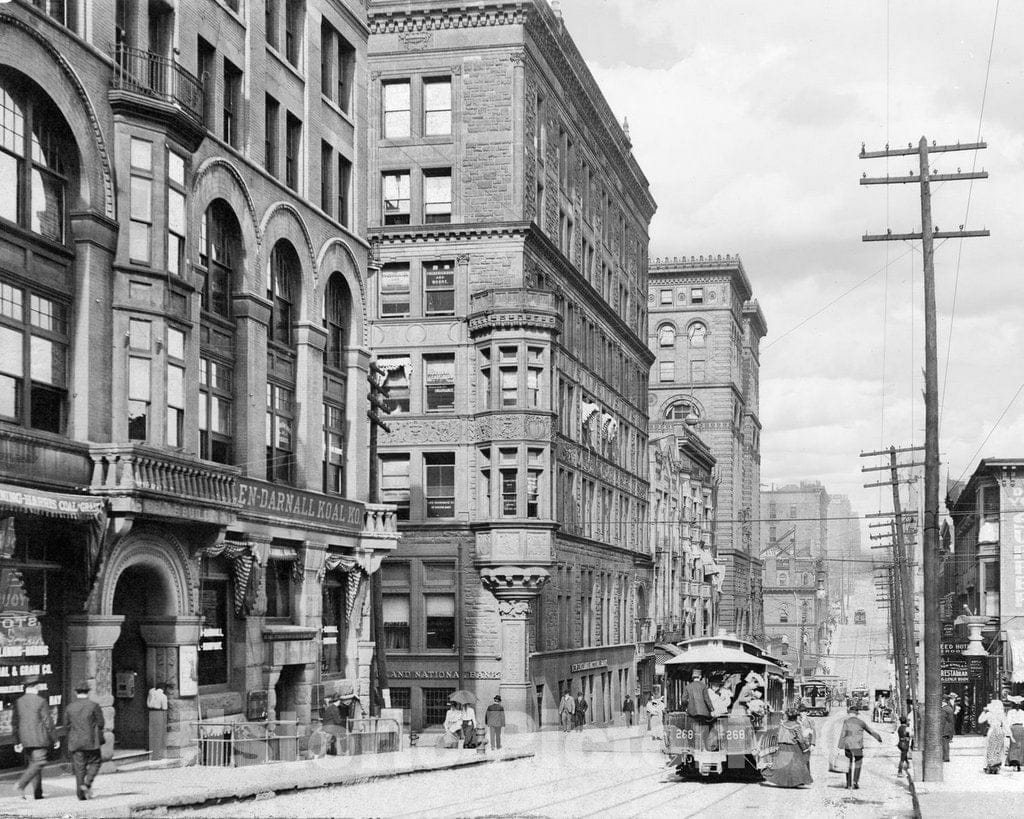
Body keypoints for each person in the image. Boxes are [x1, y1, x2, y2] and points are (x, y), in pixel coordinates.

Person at [11, 676, 59, 800]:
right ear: (36, 687)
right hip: (39, 738)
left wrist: (17, 741)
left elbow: (14, 723)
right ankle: (21, 784)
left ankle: (38, 794)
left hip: (25, 739)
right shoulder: (41, 701)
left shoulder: (18, 701)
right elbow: (48, 721)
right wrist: (55, 738)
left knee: (34, 765)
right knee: (39, 762)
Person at [64, 680, 105, 800]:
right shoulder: (94, 706)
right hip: (91, 741)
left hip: (76, 742)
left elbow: (66, 725)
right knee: (96, 762)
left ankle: (81, 796)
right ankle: (87, 783)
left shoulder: (70, 707)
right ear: (88, 692)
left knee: (79, 768)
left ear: (76, 692)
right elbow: (101, 723)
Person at [762, 708, 812, 788]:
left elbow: (779, 735)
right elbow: (800, 739)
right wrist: (805, 748)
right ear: (796, 716)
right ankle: (796, 781)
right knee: (796, 765)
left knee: (783, 765)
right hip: (793, 746)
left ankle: (783, 781)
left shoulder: (782, 724)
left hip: (782, 746)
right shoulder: (796, 726)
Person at [836, 704, 881, 790]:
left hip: (848, 746)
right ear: (856, 714)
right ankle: (855, 782)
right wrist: (878, 738)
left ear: (851, 714)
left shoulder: (846, 722)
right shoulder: (861, 722)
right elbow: (870, 731)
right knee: (858, 763)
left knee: (848, 764)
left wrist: (840, 746)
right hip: (858, 746)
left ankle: (848, 784)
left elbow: (844, 734)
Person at [978, 697, 1006, 774]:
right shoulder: (1002, 714)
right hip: (1000, 732)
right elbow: (1006, 725)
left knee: (990, 749)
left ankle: (989, 765)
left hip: (992, 731)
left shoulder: (989, 714)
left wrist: (983, 712)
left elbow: (980, 720)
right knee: (998, 749)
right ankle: (996, 765)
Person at [1005, 701, 1024, 772]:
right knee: (1020, 746)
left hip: (1014, 729)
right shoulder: (1022, 712)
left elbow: (1008, 722)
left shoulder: (1010, 712)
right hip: (1021, 729)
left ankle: (1014, 762)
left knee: (1013, 746)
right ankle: (1019, 762)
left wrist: (1008, 732)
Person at [940, 693, 957, 762]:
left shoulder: (945, 709)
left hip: (945, 729)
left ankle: (946, 757)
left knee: (945, 743)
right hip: (946, 729)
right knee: (945, 743)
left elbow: (947, 721)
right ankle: (945, 757)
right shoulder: (947, 708)